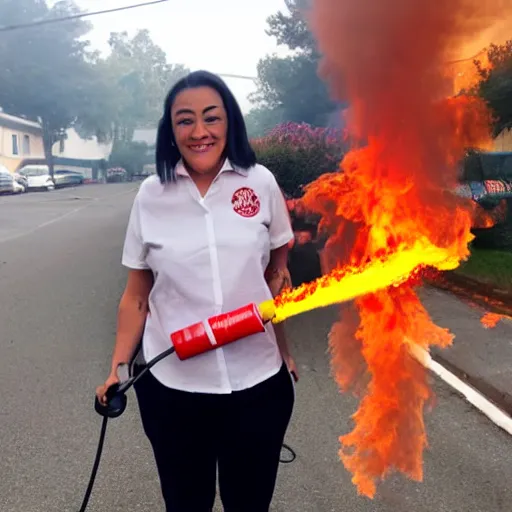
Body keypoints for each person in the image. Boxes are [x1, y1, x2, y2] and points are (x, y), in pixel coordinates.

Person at [96, 70, 297, 512]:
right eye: (185, 120)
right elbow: (136, 296)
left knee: (250, 504)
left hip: (258, 385)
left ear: (230, 123)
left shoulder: (259, 182)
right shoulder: (151, 196)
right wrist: (117, 367)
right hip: (174, 391)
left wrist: (282, 349)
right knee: (186, 504)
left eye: (212, 117)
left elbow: (275, 276)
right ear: (171, 131)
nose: (200, 132)